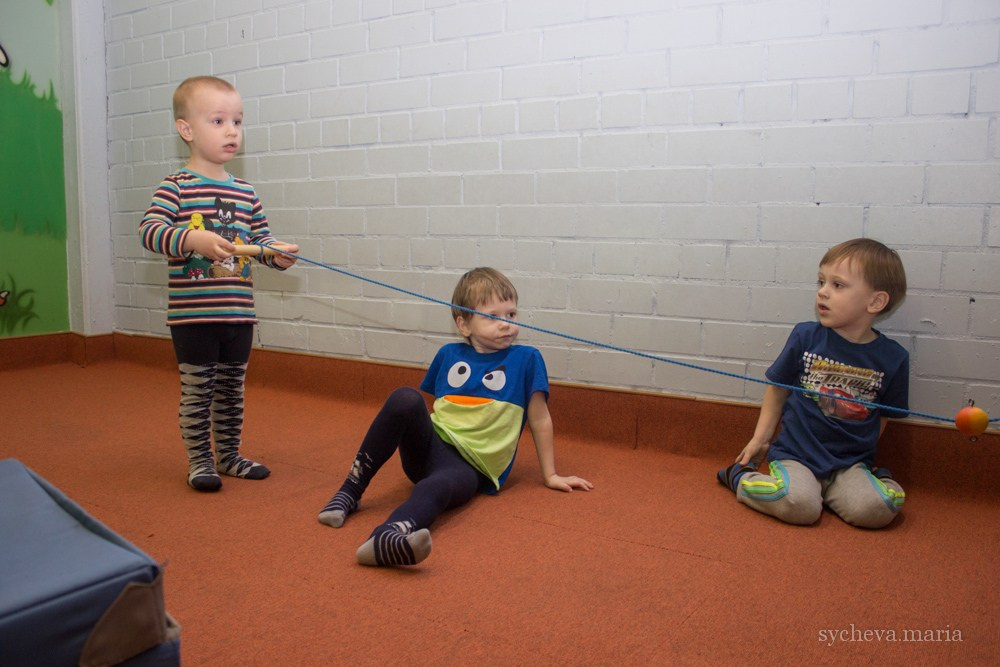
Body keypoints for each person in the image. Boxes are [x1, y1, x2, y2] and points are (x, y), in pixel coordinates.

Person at [318, 267, 593, 566]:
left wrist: (550, 474)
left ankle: (388, 535)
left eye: (512, 315)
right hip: (430, 448)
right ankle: (350, 491)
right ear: (464, 324)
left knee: (435, 486)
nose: (506, 324)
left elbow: (540, 419)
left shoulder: (527, 359)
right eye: (493, 316)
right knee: (405, 397)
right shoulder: (449, 354)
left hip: (469, 467)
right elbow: (443, 411)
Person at [139, 75, 299, 492]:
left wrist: (276, 254)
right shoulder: (176, 186)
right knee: (198, 391)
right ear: (186, 130)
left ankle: (228, 456)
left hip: (239, 314)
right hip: (194, 317)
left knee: (231, 391)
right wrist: (192, 238)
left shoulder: (246, 192)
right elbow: (149, 231)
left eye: (237, 121)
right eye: (218, 121)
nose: (232, 130)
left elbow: (258, 242)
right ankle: (200, 462)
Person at [717, 238, 909, 528]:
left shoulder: (894, 358)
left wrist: (863, 461)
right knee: (800, 506)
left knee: (879, 508)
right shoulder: (805, 337)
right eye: (821, 282)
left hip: (851, 464)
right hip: (797, 456)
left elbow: (884, 417)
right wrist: (761, 440)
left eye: (838, 285)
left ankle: (874, 480)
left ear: (875, 302)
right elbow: (778, 389)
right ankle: (739, 478)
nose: (823, 292)